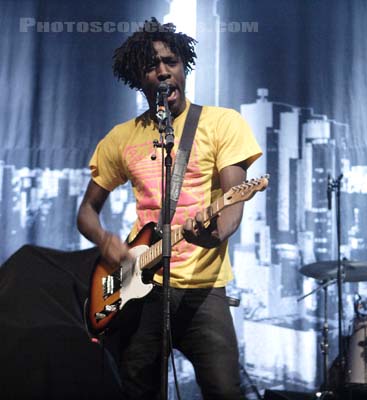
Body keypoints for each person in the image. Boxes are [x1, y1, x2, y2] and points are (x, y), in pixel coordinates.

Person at [77, 17, 262, 400]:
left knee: (225, 391)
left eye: (171, 62)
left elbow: (231, 205)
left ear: (184, 68)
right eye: (151, 64)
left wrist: (211, 236)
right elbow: (86, 213)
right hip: (139, 288)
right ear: (137, 77)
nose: (163, 71)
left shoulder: (222, 123)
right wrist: (106, 240)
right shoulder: (121, 138)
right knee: (137, 389)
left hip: (203, 292)